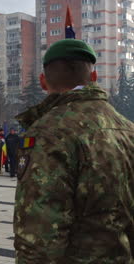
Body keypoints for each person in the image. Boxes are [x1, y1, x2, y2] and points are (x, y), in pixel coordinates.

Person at [13, 39, 134, 262]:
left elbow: (39, 235)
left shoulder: (47, 133)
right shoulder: (128, 129)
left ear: (43, 81)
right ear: (94, 78)